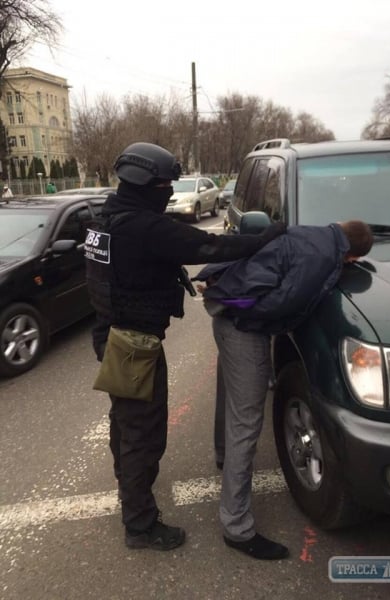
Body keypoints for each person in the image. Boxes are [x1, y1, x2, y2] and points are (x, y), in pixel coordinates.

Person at [84, 141, 286, 553]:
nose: (169, 194)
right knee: (143, 433)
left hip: (109, 335)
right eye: (164, 186)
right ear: (146, 184)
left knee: (124, 423)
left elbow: (129, 267)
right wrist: (266, 239)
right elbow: (207, 246)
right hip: (134, 344)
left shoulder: (105, 217)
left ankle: (130, 495)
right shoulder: (143, 226)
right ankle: (140, 524)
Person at [194, 220, 373, 560]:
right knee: (247, 423)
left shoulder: (311, 232)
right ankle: (237, 527)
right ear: (351, 258)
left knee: (232, 397)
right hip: (239, 325)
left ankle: (223, 454)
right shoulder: (323, 258)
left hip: (227, 314)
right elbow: (284, 304)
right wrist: (244, 316)